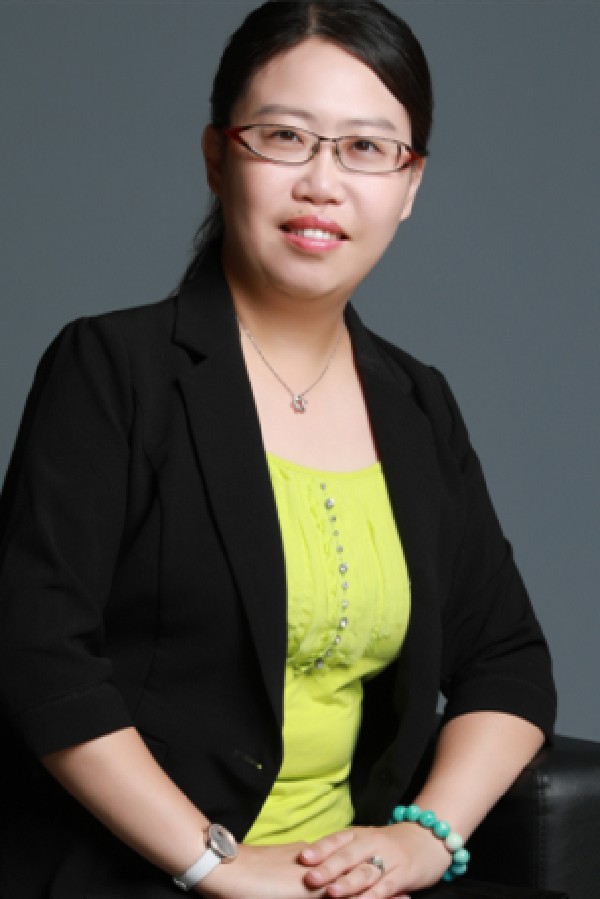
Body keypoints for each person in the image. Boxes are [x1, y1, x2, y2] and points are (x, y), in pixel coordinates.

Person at [0, 2, 556, 897]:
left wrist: (423, 838)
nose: (322, 183)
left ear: (410, 185)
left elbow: (508, 659)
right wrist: (213, 862)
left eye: (367, 147)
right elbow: (37, 653)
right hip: (144, 874)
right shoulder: (112, 368)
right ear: (217, 157)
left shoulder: (418, 402)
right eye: (286, 137)